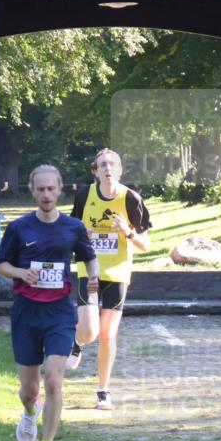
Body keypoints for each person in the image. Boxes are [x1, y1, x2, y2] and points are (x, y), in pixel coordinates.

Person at [0, 165, 99, 441]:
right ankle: (31, 412)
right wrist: (20, 273)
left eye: (51, 189)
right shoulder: (19, 228)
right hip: (27, 313)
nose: (46, 194)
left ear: (59, 190)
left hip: (59, 314)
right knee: (29, 391)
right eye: (40, 189)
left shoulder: (73, 227)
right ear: (32, 191)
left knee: (53, 379)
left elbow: (89, 257)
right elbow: (1, 264)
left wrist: (93, 277)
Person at [65, 148, 152, 410]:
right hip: (89, 269)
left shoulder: (131, 199)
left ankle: (103, 390)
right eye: (102, 165)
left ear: (120, 170)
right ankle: (77, 340)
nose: (108, 168)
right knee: (89, 331)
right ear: (95, 171)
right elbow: (72, 231)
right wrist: (83, 234)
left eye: (112, 164)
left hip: (117, 272)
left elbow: (145, 244)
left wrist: (127, 231)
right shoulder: (84, 195)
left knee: (107, 334)